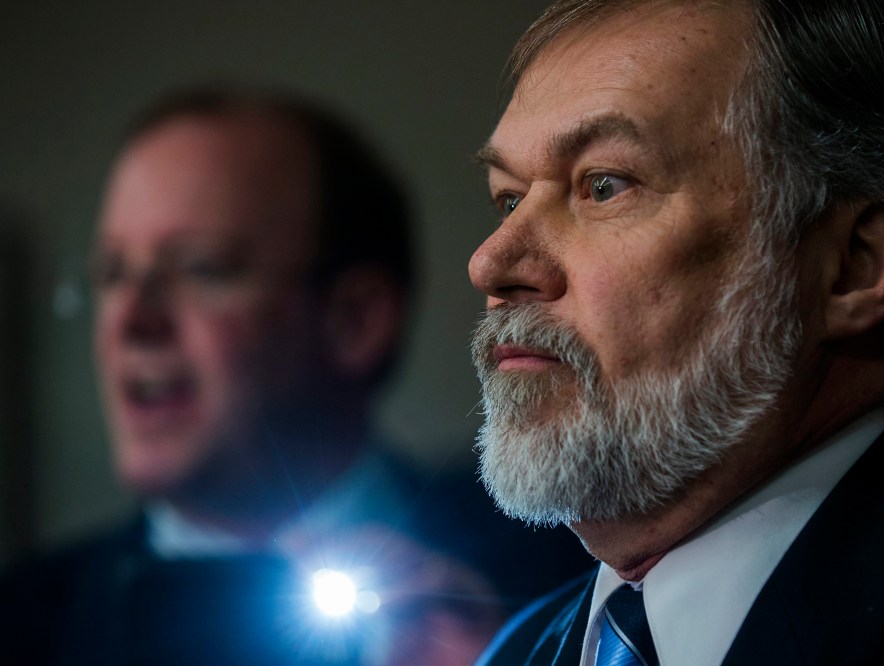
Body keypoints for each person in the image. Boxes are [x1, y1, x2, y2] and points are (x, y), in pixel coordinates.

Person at [468, 0, 884, 664]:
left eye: (604, 185)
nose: (491, 262)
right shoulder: (517, 650)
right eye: (511, 199)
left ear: (856, 267)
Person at [0, 88, 593, 665]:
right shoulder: (19, 624)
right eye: (111, 273)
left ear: (355, 320)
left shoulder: (579, 568)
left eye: (200, 268)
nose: (130, 319)